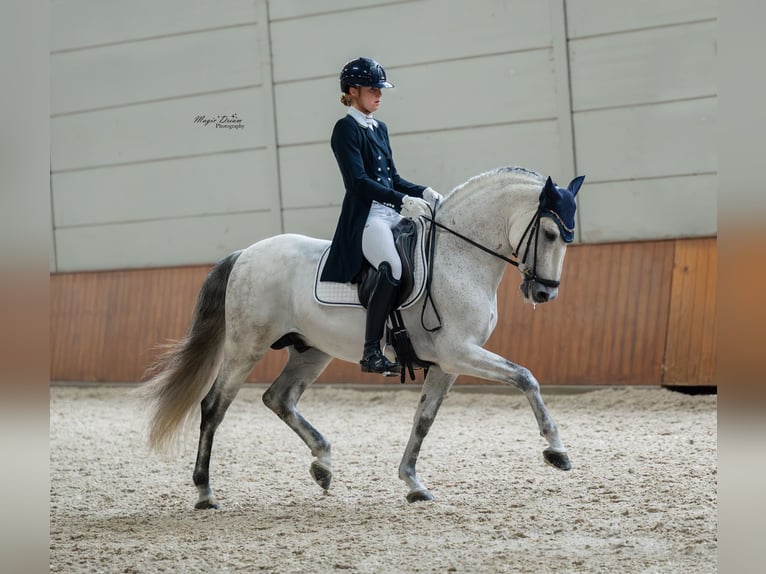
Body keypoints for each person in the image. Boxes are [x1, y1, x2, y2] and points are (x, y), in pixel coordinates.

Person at [320, 57, 442, 375]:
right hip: (368, 217)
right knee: (393, 268)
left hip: (392, 213)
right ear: (353, 90)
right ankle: (371, 350)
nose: (379, 95)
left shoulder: (379, 128)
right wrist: (402, 200)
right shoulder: (345, 128)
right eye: (373, 89)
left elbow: (392, 178)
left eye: (380, 89)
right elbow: (358, 183)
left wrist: (422, 192)